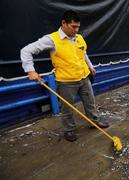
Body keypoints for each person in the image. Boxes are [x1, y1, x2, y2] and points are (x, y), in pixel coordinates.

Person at [20, 10, 109, 142]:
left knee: (90, 102)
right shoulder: (52, 39)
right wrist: (30, 71)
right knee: (67, 108)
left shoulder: (79, 38)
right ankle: (69, 130)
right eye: (73, 26)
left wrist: (90, 66)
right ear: (63, 23)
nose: (76, 30)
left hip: (84, 77)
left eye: (78, 27)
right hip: (66, 82)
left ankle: (94, 121)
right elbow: (26, 50)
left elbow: (83, 53)